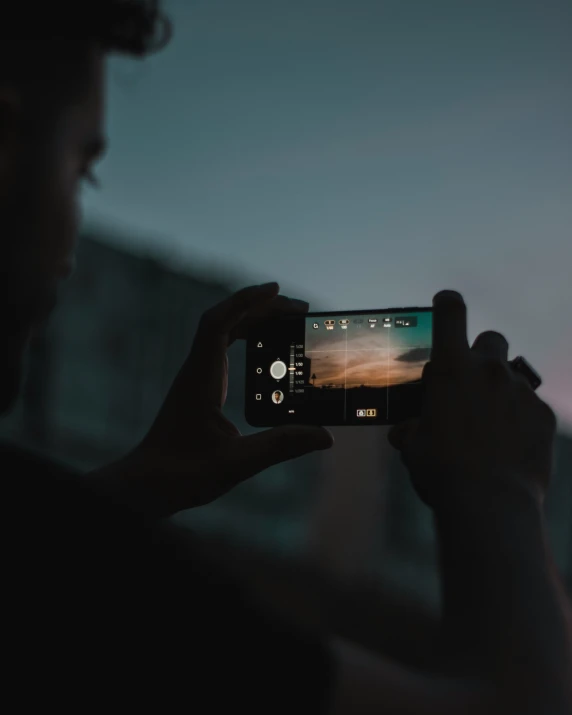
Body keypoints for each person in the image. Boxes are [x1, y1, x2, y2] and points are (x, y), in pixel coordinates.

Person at [1, 3, 570, 713]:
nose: (75, 231)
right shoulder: (146, 604)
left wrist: (143, 483)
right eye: (82, 169)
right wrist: (505, 493)